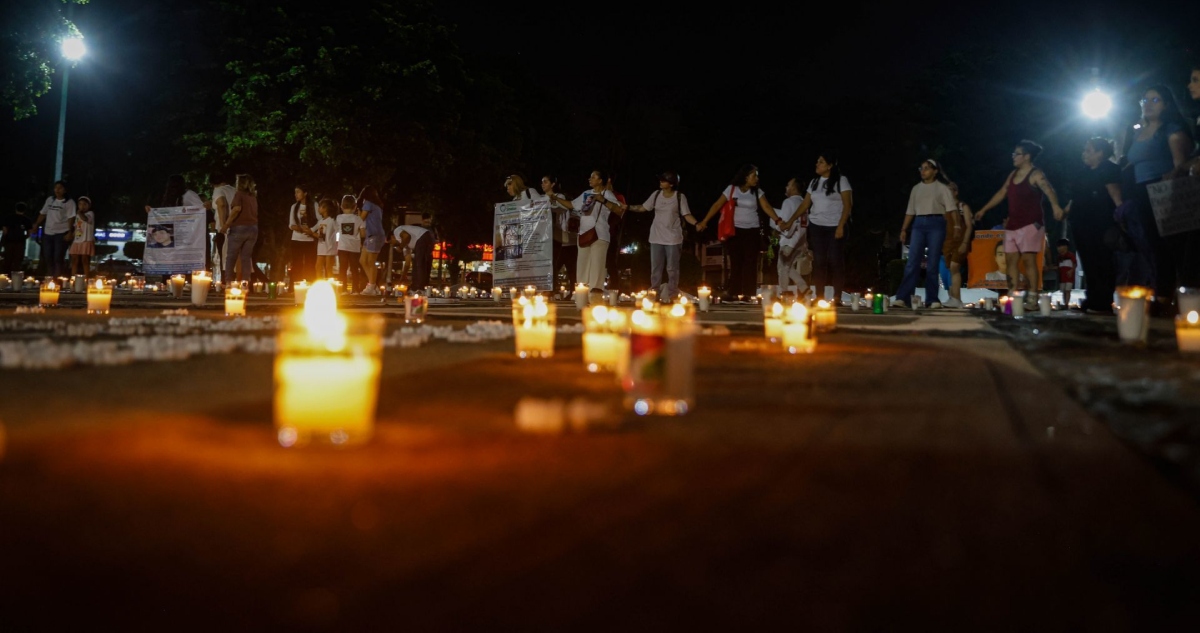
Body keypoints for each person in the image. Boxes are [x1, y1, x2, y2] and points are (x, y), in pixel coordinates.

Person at [1118, 86, 1193, 307]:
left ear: (1167, 105)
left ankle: (1177, 294)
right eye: (1145, 100)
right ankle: (1163, 293)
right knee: (1152, 243)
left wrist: (1168, 179)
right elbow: (1130, 160)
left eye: (1155, 99)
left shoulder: (1171, 130)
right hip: (1141, 192)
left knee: (1171, 244)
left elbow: (1181, 164)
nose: (1148, 104)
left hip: (1165, 190)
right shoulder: (1137, 132)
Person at [973, 140, 1066, 303]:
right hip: (1013, 225)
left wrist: (1056, 207)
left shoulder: (1036, 174)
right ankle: (1012, 295)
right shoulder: (1013, 175)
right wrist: (984, 209)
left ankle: (1032, 297)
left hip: (1031, 224)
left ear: (1027, 156)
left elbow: (1049, 190)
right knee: (1011, 261)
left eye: (1017, 154)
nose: (1013, 157)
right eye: (1013, 154)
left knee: (1029, 261)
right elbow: (1002, 193)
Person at [696, 164, 786, 301]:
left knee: (750, 262)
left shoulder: (757, 192)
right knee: (736, 261)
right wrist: (704, 221)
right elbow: (717, 205)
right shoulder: (732, 189)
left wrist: (778, 221)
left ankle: (748, 293)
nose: (757, 178)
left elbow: (766, 206)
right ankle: (733, 292)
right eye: (754, 175)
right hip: (735, 231)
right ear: (746, 176)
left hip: (752, 231)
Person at [782, 154, 853, 304]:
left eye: (821, 162)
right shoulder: (814, 182)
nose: (817, 164)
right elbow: (805, 204)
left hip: (835, 226)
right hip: (817, 226)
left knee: (835, 260)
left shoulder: (841, 181)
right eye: (817, 161)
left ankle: (837, 296)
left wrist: (841, 225)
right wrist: (789, 222)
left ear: (830, 165)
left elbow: (848, 204)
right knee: (819, 261)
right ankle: (819, 297)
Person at [1064, 136, 1122, 314]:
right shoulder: (1083, 172)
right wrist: (1064, 212)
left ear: (1100, 153)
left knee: (1102, 260)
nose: (1084, 154)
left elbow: (1115, 195)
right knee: (1088, 261)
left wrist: (1123, 216)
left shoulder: (1109, 170)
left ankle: (1103, 301)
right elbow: (1075, 197)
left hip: (1101, 222)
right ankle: (1092, 298)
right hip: (1081, 222)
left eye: (1089, 150)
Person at [893, 160, 958, 308]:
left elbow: (951, 209)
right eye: (921, 168)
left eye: (927, 168)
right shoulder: (916, 189)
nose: (923, 171)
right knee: (912, 262)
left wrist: (956, 227)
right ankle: (903, 297)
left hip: (936, 223)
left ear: (935, 171)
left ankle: (932, 299)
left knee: (932, 263)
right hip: (918, 223)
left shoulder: (942, 188)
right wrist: (904, 229)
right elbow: (910, 211)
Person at [623, 170, 696, 301]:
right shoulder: (656, 195)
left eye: (664, 180)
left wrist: (697, 223)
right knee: (656, 267)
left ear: (672, 184)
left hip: (673, 238)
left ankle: (673, 293)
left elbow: (686, 215)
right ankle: (654, 293)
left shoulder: (679, 197)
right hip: (656, 237)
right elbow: (643, 208)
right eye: (661, 180)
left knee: (672, 268)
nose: (661, 182)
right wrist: (627, 207)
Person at [549, 170, 623, 295]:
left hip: (600, 235)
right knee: (582, 264)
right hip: (584, 234)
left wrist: (603, 200)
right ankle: (582, 292)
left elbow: (619, 210)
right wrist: (555, 197)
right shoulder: (587, 193)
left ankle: (595, 291)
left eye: (593, 177)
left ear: (600, 180)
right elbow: (571, 205)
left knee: (597, 264)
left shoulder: (607, 193)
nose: (590, 179)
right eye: (590, 177)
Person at [29, 181, 75, 278]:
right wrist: (36, 224)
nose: (57, 190)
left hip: (61, 232)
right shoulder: (50, 200)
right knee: (48, 256)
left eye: (60, 188)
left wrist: (70, 231)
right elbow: (43, 213)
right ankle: (50, 276)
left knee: (58, 256)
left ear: (65, 190)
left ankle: (57, 277)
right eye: (56, 188)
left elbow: (71, 217)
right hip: (48, 232)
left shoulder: (69, 202)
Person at [772, 177, 809, 293]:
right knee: (788, 267)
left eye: (788, 185)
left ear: (793, 188)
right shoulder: (803, 202)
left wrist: (776, 229)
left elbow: (784, 222)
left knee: (782, 268)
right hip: (800, 241)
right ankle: (804, 288)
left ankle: (782, 293)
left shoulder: (788, 202)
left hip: (789, 242)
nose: (786, 187)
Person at [222, 174, 259, 284]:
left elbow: (237, 208)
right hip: (253, 228)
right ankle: (245, 283)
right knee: (246, 257)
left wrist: (226, 224)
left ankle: (228, 282)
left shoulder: (239, 195)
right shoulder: (252, 197)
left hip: (239, 228)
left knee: (231, 257)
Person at [942, 182, 974, 307]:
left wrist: (965, 242)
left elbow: (969, 226)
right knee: (951, 269)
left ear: (956, 192)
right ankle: (953, 297)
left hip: (960, 242)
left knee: (955, 267)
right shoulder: (944, 208)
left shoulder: (962, 206)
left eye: (950, 190)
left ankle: (957, 299)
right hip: (947, 243)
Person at [543, 174, 576, 287]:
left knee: (559, 263)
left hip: (558, 233)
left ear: (553, 184)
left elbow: (562, 209)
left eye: (545, 182)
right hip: (545, 235)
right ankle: (551, 287)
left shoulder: (559, 196)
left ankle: (557, 288)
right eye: (542, 182)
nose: (542, 184)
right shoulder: (541, 198)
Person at [357, 186, 386, 296]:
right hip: (371, 235)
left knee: (370, 262)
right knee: (363, 260)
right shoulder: (377, 206)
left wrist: (359, 211)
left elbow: (361, 218)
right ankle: (373, 285)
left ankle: (372, 285)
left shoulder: (368, 204)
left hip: (374, 235)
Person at [392, 218, 434, 291]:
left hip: (422, 237)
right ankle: (422, 285)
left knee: (419, 263)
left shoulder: (397, 231)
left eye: (391, 242)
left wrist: (400, 247)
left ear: (392, 237)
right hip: (428, 237)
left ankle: (418, 287)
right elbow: (407, 263)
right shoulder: (405, 244)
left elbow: (407, 236)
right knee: (423, 262)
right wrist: (402, 277)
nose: (392, 244)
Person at [335, 195, 365, 293]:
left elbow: (335, 230)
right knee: (354, 269)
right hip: (354, 247)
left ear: (341, 207)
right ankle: (355, 290)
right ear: (355, 207)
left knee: (342, 269)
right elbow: (363, 233)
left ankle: (343, 290)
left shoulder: (339, 218)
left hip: (342, 246)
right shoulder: (358, 219)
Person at [288, 185, 318, 282]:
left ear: (305, 193)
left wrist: (311, 230)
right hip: (296, 239)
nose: (296, 195)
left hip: (310, 239)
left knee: (310, 264)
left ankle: (310, 284)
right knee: (296, 264)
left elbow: (321, 221)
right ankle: (294, 286)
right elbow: (291, 224)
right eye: (295, 192)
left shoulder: (314, 205)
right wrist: (298, 228)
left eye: (298, 192)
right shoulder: (294, 207)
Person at [210, 177, 236, 282]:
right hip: (236, 225)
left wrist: (222, 224)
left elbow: (221, 204)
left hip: (224, 228)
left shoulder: (218, 190)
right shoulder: (234, 190)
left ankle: (226, 282)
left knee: (224, 256)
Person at [1, 202, 32, 274]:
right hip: (20, 243)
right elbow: (29, 233)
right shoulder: (26, 220)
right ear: (25, 210)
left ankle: (5, 276)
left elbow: (5, 230)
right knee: (17, 261)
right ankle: (15, 278)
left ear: (15, 209)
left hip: (9, 241)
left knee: (7, 260)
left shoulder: (8, 218)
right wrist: (24, 237)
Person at [312, 198, 338, 279]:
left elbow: (338, 231)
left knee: (328, 268)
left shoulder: (332, 221)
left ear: (325, 208)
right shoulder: (320, 221)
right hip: (321, 248)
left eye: (320, 207)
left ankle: (331, 287)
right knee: (318, 267)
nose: (318, 209)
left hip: (330, 247)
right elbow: (312, 230)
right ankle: (319, 285)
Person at [69, 196, 95, 277]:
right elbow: (77, 226)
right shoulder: (77, 216)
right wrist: (71, 234)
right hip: (77, 239)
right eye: (80, 204)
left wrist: (79, 213)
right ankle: (73, 278)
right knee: (74, 259)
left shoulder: (90, 214)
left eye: (84, 204)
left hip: (86, 239)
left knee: (85, 260)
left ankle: (86, 278)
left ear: (88, 206)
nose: (82, 206)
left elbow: (85, 219)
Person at [1056, 238, 1077, 307]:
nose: (1059, 248)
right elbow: (1058, 266)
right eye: (1058, 247)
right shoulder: (1059, 257)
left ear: (1066, 246)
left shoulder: (1070, 255)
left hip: (1069, 277)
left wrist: (1071, 271)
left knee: (1068, 290)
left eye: (1060, 246)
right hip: (1062, 277)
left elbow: (1075, 264)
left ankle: (1066, 303)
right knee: (1063, 291)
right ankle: (1065, 302)